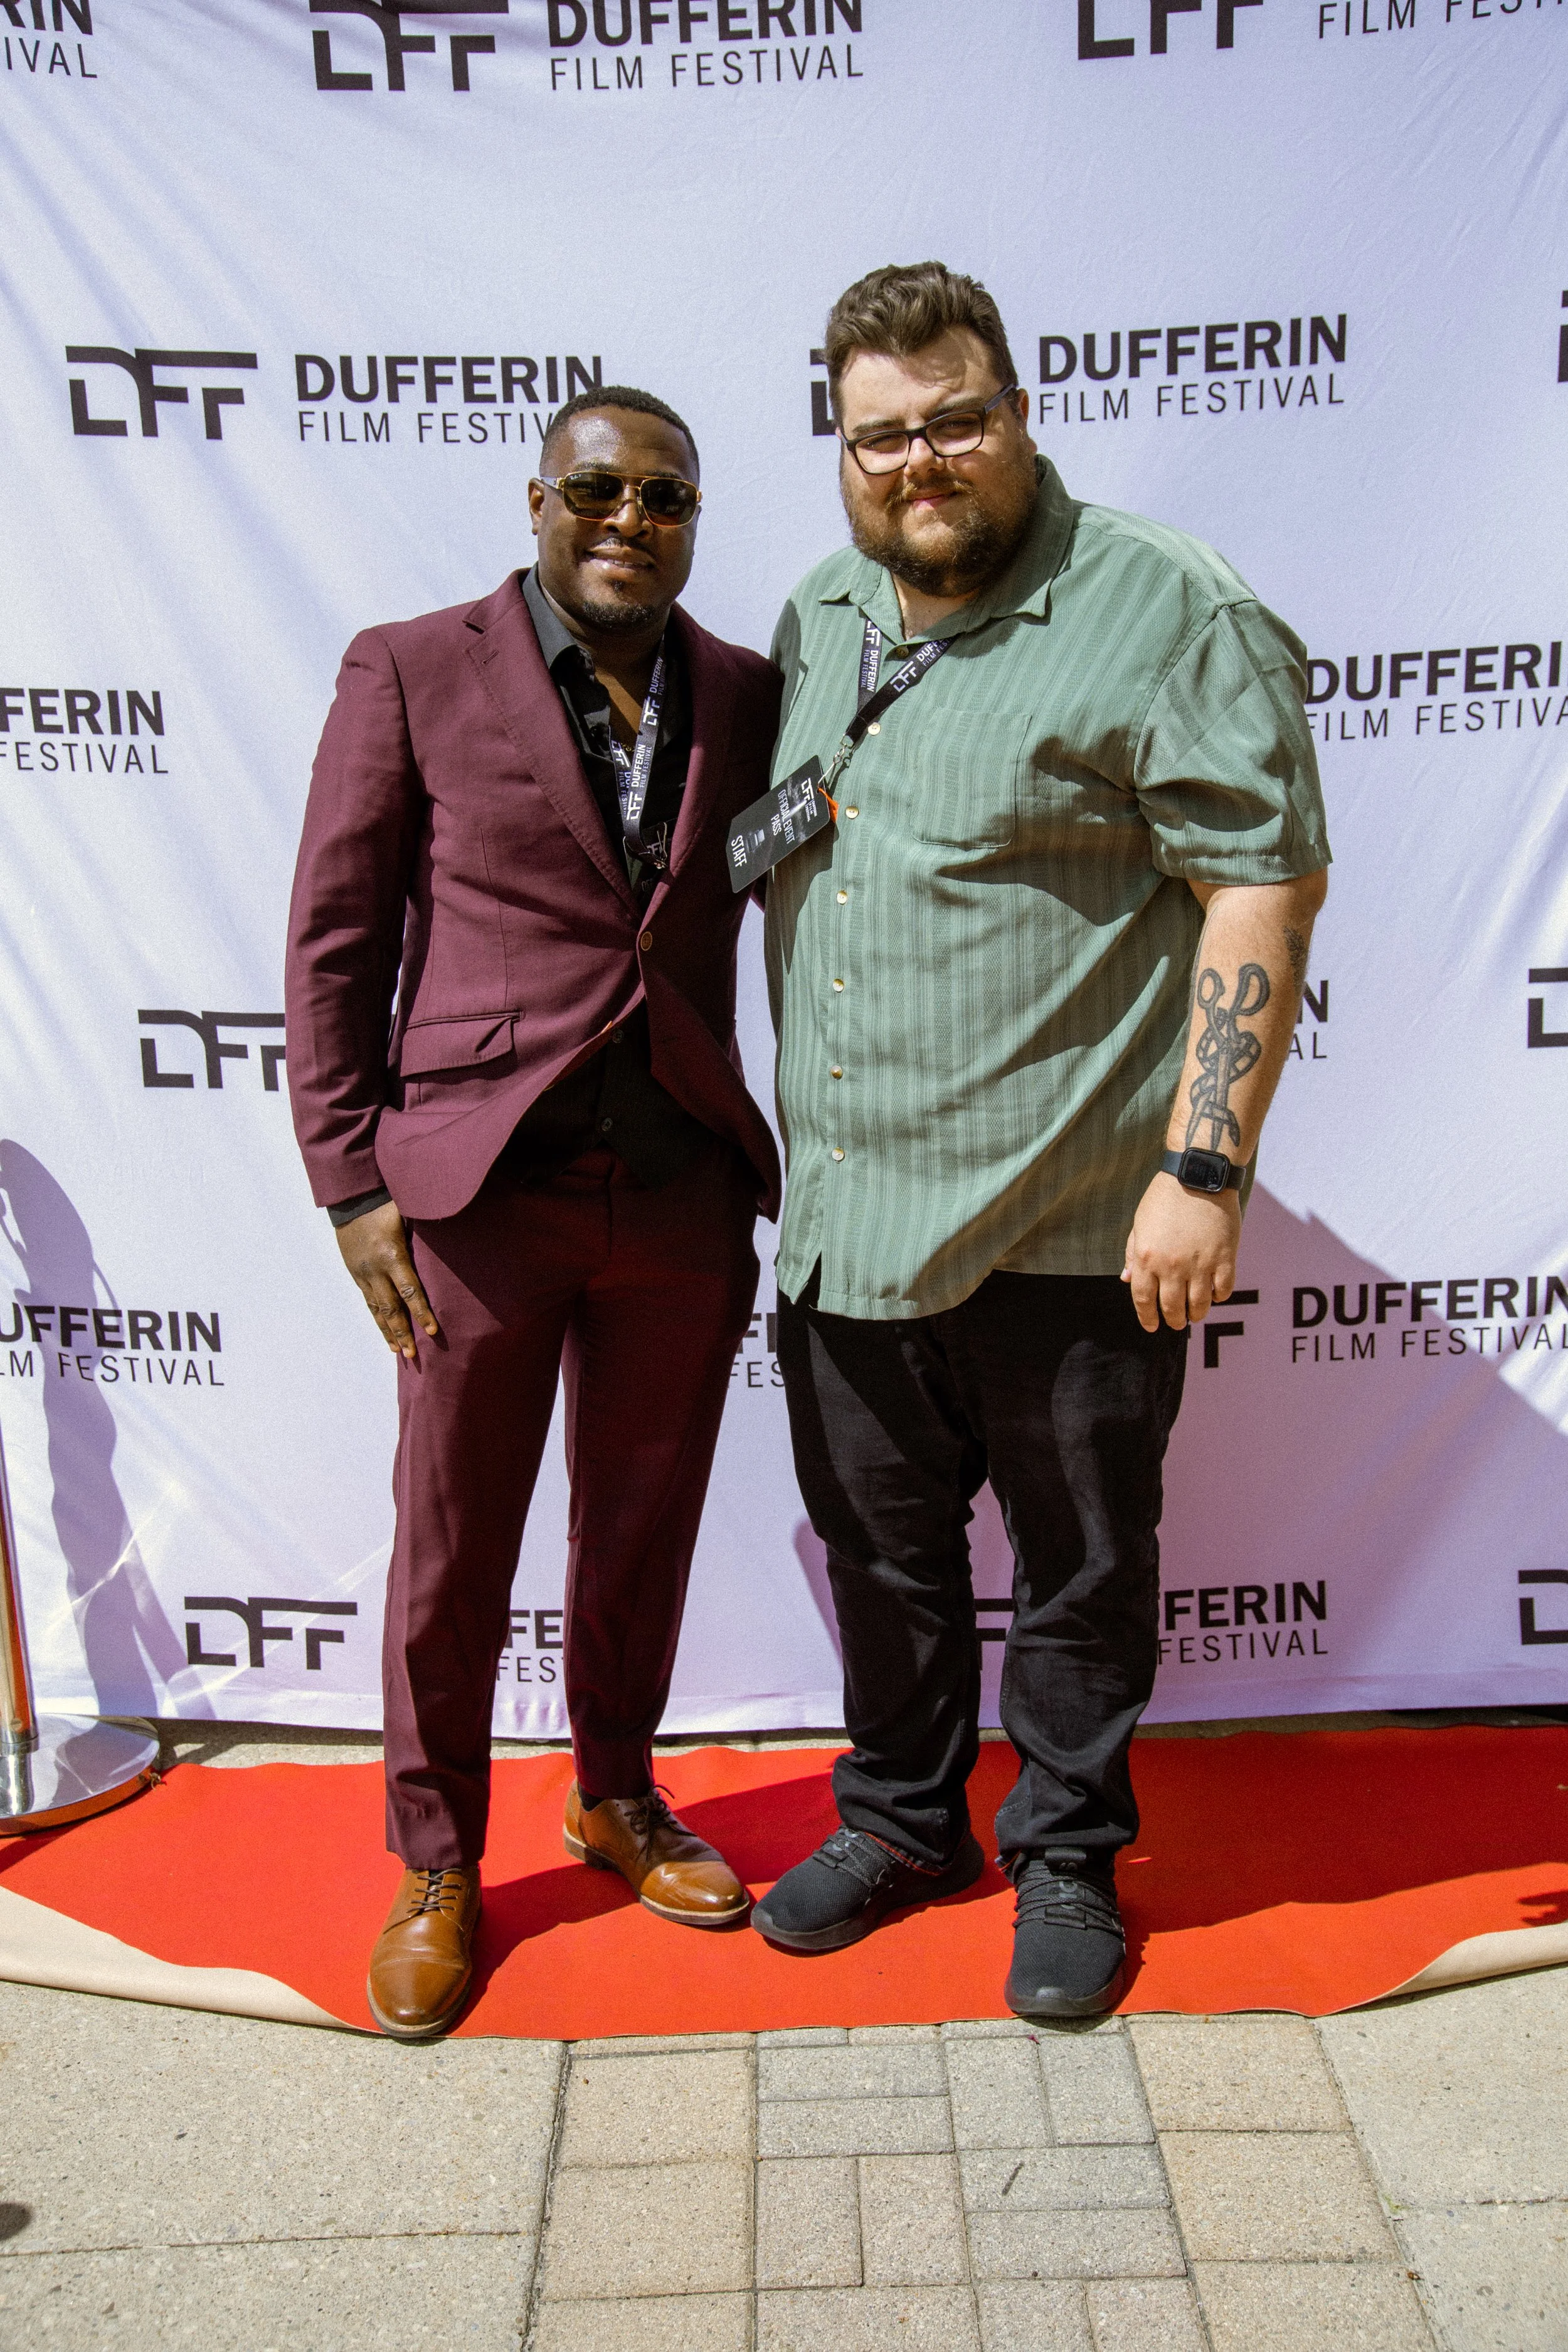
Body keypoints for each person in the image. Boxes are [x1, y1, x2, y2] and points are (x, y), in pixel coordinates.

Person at [751, 263, 1330, 2019]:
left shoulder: (1165, 607)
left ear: (1014, 409)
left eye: (951, 419)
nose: (916, 460)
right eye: (878, 435)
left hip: (1074, 1218)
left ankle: (1066, 1849)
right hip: (851, 1220)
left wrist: (1201, 1166)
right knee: (885, 1558)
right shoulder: (819, 612)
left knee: (1078, 1565)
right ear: (839, 447)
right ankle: (900, 1817)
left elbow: (1257, 878)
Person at [285, 386, 781, 2040]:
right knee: (454, 1546)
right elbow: (336, 936)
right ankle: (437, 1861)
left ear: (694, 519)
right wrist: (351, 1179)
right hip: (477, 1195)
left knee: (637, 1523)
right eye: (599, 491)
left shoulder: (743, 693)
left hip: (682, 1188)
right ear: (537, 499)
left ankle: (615, 1795)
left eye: (666, 497)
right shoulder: (413, 668)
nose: (629, 519)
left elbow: (778, 867)